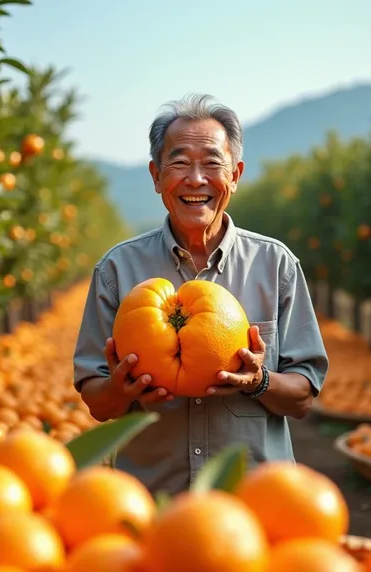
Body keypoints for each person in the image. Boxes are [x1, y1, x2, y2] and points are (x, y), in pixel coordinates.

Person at [72, 93, 329, 496]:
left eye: (212, 163)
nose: (196, 179)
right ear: (156, 176)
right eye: (179, 163)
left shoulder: (275, 265)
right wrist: (121, 391)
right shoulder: (117, 272)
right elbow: (96, 401)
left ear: (235, 175)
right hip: (151, 502)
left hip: (254, 503)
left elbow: (302, 398)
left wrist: (258, 381)